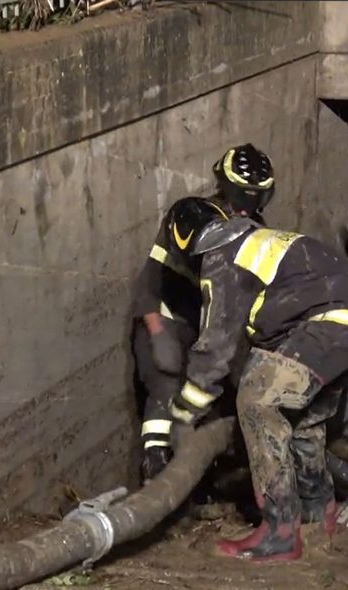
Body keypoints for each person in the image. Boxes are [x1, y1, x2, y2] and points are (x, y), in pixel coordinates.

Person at [166, 203, 348, 562]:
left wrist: (184, 412)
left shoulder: (220, 258)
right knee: (303, 420)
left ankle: (281, 531)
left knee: (256, 401)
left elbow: (215, 349)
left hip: (333, 323)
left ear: (184, 244)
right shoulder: (258, 241)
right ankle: (319, 514)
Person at [131, 143, 277, 482]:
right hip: (166, 318)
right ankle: (155, 471)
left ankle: (204, 479)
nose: (249, 208)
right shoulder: (192, 222)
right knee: (165, 390)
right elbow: (147, 288)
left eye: (258, 198)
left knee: (214, 400)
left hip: (207, 330)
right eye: (244, 196)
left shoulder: (253, 229)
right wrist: (157, 334)